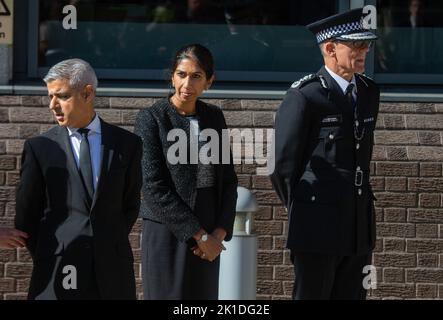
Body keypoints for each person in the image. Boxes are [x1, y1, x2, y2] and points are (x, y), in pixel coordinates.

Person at [270, 8, 380, 300]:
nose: (364, 50)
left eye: (366, 44)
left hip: (357, 225)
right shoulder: (305, 96)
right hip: (316, 226)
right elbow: (282, 165)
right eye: (356, 45)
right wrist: (305, 209)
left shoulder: (369, 92)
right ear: (330, 48)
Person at [15, 58, 142, 300]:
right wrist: (55, 251)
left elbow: (129, 204)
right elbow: (27, 216)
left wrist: (105, 242)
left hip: (112, 274)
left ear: (87, 93)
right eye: (50, 96)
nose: (53, 105)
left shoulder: (128, 144)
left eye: (61, 96)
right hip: (57, 273)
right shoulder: (39, 148)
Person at [135, 44, 238, 300]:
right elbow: (153, 186)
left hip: (209, 234)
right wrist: (199, 235)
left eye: (196, 76)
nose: (186, 83)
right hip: (167, 232)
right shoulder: (152, 118)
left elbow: (228, 180)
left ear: (209, 82)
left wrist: (218, 233)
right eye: (181, 74)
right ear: (172, 76)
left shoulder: (214, 117)